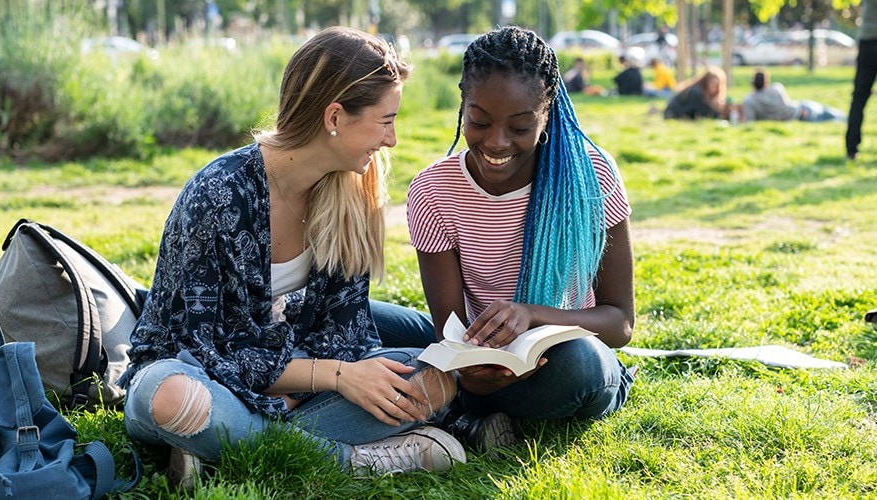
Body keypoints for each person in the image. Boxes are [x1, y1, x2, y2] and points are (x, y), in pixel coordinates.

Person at [119, 26, 466, 490]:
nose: (392, 140)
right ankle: (355, 460)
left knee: (431, 377)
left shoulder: (352, 196)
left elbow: (343, 336)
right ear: (335, 117)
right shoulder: (218, 195)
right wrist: (333, 378)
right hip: (193, 373)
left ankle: (218, 446)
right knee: (173, 399)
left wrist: (320, 382)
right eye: (386, 121)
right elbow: (201, 349)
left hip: (289, 377)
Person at [372, 26, 636, 452]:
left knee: (580, 364)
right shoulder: (434, 190)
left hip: (560, 354)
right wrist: (469, 366)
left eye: (520, 125)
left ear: (547, 114)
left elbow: (620, 322)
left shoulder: (591, 177)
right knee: (353, 313)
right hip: (478, 350)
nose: (496, 142)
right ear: (463, 107)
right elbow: (448, 329)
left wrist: (531, 315)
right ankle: (468, 402)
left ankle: (455, 407)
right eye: (479, 121)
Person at [742, 69, 846, 123]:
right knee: (827, 112)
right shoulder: (776, 88)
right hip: (801, 111)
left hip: (800, 115)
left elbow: (750, 119)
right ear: (766, 81)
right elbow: (788, 104)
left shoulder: (749, 100)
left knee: (829, 117)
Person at [847, 0, 877, 160]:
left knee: (859, 98)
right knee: (859, 98)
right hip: (868, 39)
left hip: (868, 41)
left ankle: (851, 150)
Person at [663, 66, 728, 120]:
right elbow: (704, 112)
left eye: (718, 85)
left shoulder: (701, 92)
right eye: (714, 84)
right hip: (672, 115)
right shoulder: (696, 92)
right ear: (706, 83)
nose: (717, 88)